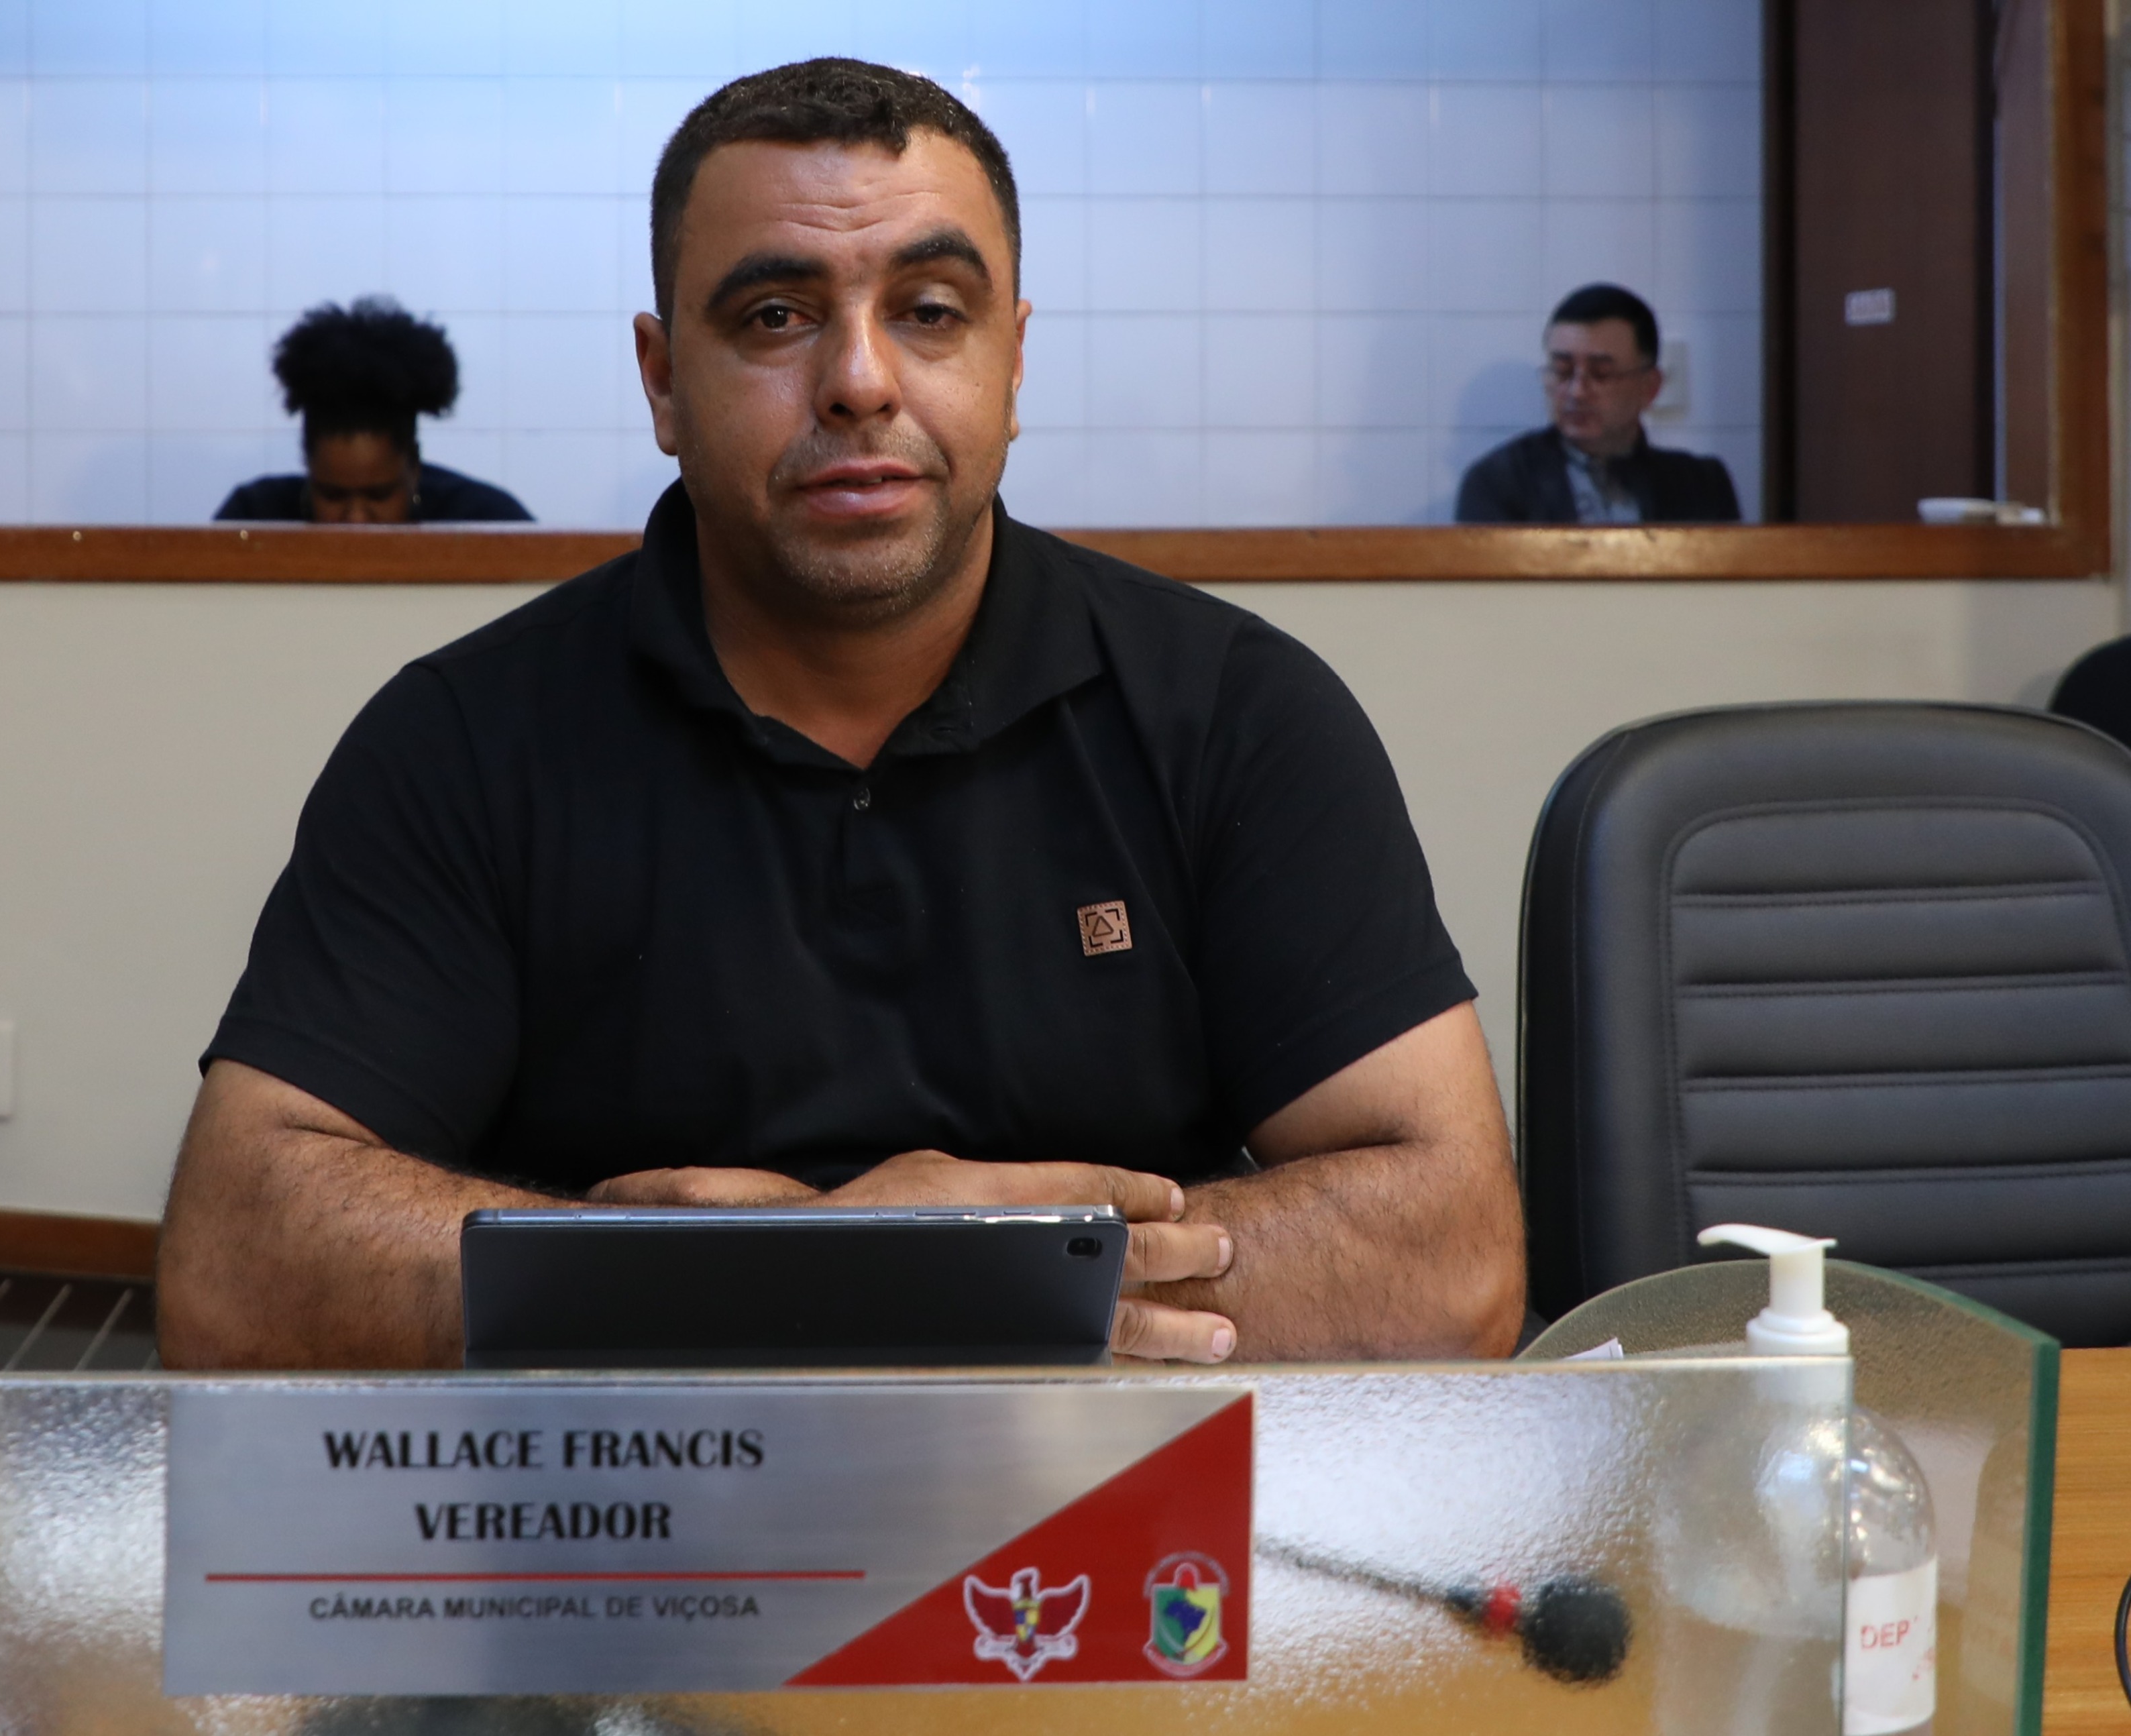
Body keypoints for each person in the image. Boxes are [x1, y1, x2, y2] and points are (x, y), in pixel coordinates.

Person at [160, 58, 1523, 1372]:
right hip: (626, 1495)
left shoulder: (1232, 711)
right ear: (660, 381)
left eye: (929, 310)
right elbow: (235, 1268)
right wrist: (817, 1282)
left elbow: (1452, 1258)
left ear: (1013, 359)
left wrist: (961, 1278)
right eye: (774, 317)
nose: (859, 380)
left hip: (1122, 1499)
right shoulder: (465, 737)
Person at [215, 298, 530, 525]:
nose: (356, 520)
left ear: (414, 468)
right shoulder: (253, 517)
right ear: (308, 467)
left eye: (379, 496)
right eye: (332, 496)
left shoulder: (487, 522)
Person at [1454, 283, 1739, 525]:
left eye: (1601, 374)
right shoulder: (1499, 483)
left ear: (1650, 388)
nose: (1577, 392)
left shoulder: (1702, 485)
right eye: (1563, 372)